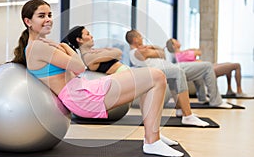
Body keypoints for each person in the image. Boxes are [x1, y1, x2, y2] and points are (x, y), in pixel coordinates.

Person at [11, 0, 183, 157]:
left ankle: (153, 135)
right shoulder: (40, 47)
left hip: (84, 89)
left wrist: (62, 48)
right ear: (28, 21)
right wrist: (65, 46)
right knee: (157, 76)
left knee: (152, 79)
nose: (48, 19)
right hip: (82, 97)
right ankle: (152, 141)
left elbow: (77, 70)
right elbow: (79, 67)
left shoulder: (40, 45)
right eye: (41, 16)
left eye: (49, 15)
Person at [64, 25, 209, 127]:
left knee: (169, 74)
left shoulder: (93, 53)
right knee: (174, 72)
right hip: (123, 80)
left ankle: (162, 126)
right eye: (87, 34)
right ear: (80, 40)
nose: (91, 35)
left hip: (127, 75)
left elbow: (117, 52)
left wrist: (105, 52)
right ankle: (187, 116)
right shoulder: (88, 57)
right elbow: (116, 53)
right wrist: (106, 51)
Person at [125, 29, 232, 109]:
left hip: (169, 67)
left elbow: (158, 52)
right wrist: (151, 48)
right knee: (207, 66)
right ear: (135, 39)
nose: (142, 38)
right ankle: (216, 102)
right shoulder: (138, 52)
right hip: (170, 69)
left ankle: (203, 98)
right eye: (140, 36)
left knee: (201, 68)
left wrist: (150, 48)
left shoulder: (134, 53)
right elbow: (162, 54)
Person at [166, 38, 247, 97]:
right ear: (173, 46)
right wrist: (190, 50)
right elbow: (199, 52)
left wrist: (188, 50)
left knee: (228, 65)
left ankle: (229, 90)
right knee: (237, 65)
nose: (178, 41)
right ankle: (239, 91)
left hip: (207, 68)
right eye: (175, 41)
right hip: (207, 71)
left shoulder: (179, 55)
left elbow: (196, 52)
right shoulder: (182, 54)